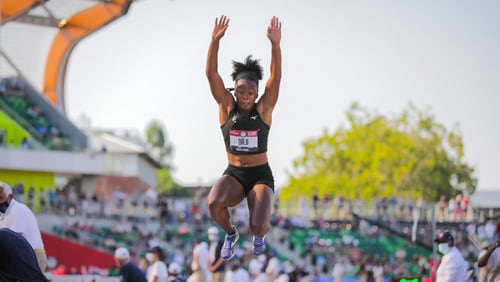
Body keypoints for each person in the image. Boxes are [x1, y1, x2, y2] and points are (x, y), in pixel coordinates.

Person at [205, 14, 282, 261]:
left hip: (260, 174)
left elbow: (275, 79)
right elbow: (211, 74)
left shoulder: (264, 110)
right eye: (241, 92)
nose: (245, 96)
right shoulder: (227, 109)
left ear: (256, 93)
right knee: (213, 203)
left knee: (258, 225)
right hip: (235, 174)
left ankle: (259, 234)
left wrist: (275, 46)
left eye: (250, 92)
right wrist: (214, 41)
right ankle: (231, 233)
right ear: (234, 91)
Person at [0, 181, 48, 272]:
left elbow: (11, 240)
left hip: (32, 256)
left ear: (10, 197)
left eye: (0, 198)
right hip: (21, 256)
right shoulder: (4, 213)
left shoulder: (17, 210)